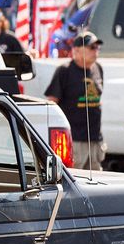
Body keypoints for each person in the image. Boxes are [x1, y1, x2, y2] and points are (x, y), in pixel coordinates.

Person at [45, 32, 105, 171]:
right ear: (76, 50)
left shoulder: (98, 69)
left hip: (95, 138)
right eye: (91, 47)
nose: (95, 51)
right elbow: (52, 103)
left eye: (97, 47)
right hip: (74, 139)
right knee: (74, 179)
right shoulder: (64, 71)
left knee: (97, 181)